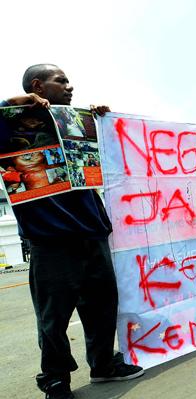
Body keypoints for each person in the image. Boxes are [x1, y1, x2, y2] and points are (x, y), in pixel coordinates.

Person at [1, 64, 143, 399]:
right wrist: (19, 100)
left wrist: (98, 119)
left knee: (102, 307)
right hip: (52, 242)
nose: (70, 86)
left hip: (93, 235)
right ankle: (55, 378)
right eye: (61, 81)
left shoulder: (75, 122)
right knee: (54, 319)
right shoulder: (9, 126)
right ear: (38, 85)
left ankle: (103, 365)